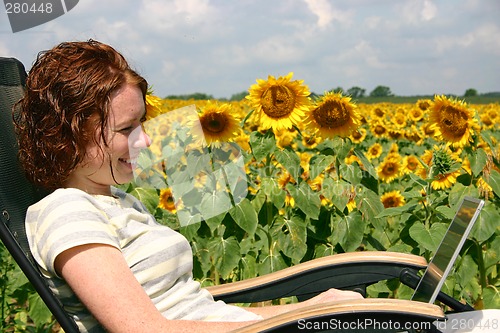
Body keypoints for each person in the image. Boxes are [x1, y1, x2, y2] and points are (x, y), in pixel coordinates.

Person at [14, 39, 363, 333]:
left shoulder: (117, 200)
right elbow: (144, 330)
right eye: (126, 129)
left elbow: (197, 311)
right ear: (67, 134)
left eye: (143, 123)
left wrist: (314, 309)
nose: (146, 141)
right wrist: (301, 320)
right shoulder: (67, 212)